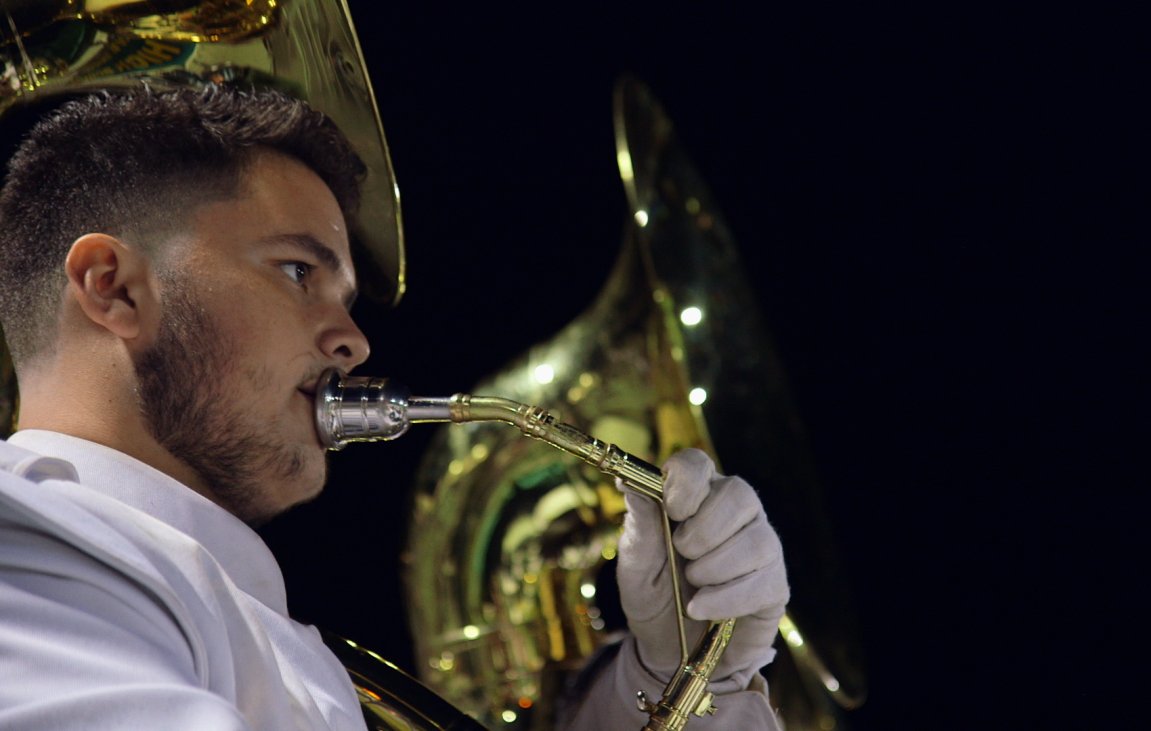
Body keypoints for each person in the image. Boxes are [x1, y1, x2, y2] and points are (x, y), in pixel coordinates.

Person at [0, 85, 790, 729]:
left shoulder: (248, 624)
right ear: (113, 286)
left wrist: (672, 684)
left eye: (346, 299)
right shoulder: (24, 551)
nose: (353, 342)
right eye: (298, 272)